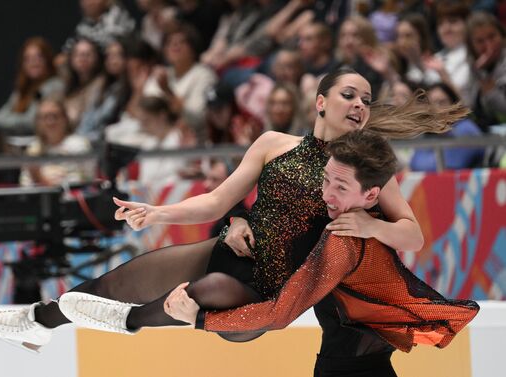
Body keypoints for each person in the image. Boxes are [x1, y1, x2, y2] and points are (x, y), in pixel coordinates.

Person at [0, 68, 467, 353]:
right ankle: (35, 324)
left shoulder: (362, 169)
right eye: (349, 94)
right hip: (230, 252)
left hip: (267, 290)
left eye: (366, 99)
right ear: (320, 101)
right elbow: (217, 200)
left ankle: (125, 322)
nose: (360, 104)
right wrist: (157, 213)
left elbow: (413, 236)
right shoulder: (275, 143)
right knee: (116, 281)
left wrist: (367, 226)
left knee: (201, 292)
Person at [163, 130, 479, 377]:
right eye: (325, 179)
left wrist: (200, 319)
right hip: (367, 366)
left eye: (340, 187)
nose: (326, 194)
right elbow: (410, 234)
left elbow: (278, 314)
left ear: (370, 195)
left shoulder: (343, 240)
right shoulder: (376, 219)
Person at [0, 37, 64, 137]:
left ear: (47, 59)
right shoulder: (23, 89)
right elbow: (4, 113)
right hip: (13, 142)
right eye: (27, 58)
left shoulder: (54, 86)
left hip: (37, 144)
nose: (33, 62)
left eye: (38, 57)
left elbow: (31, 122)